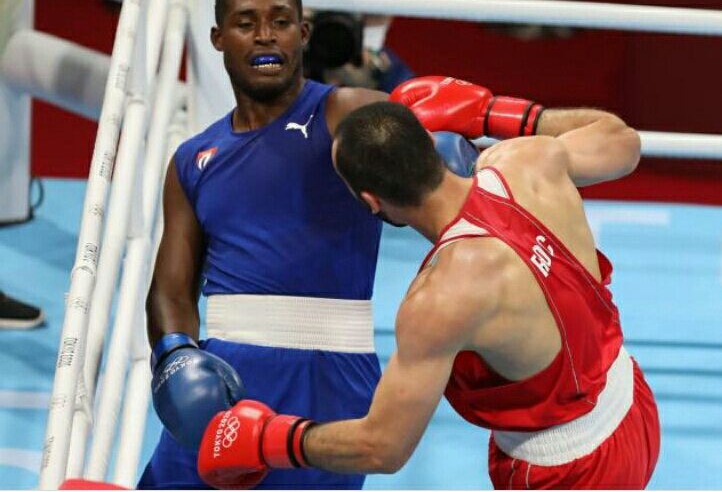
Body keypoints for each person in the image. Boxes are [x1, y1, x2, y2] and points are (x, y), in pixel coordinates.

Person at [196, 76, 661, 489]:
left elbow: (382, 447)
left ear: (371, 202)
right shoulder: (523, 159)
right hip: (632, 403)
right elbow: (622, 141)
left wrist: (270, 439)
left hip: (567, 470)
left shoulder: (439, 299)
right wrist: (492, 111)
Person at [137, 0, 391, 489]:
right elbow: (170, 289)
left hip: (329, 376)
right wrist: (177, 356)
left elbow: (432, 162)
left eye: (279, 21)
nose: (264, 35)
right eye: (246, 22)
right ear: (218, 38)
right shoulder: (193, 159)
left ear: (303, 33)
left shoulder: (345, 114)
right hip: (223, 379)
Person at [305, 0, 414, 92]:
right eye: (341, 10)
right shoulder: (288, 63)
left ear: (390, 16)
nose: (355, 23)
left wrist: (371, 92)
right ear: (310, 7)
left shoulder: (403, 85)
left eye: (371, 11)